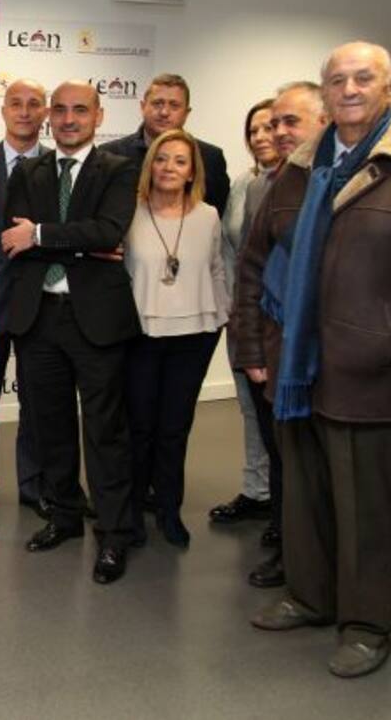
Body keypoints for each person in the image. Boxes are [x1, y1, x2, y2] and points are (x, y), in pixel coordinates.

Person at [239, 42, 391, 678]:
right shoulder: (299, 169)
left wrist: (390, 340)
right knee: (304, 495)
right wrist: (255, 348)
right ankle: (310, 596)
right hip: (294, 369)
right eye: (337, 80)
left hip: (373, 375)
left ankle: (366, 625)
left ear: (389, 87)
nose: (350, 89)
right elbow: (255, 263)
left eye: (363, 78)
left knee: (367, 509)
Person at [1, 80, 139, 584]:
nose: (67, 119)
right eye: (58, 110)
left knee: (105, 432)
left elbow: (108, 230)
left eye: (80, 110)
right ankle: (64, 516)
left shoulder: (119, 169)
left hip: (96, 319)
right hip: (38, 317)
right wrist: (77, 244)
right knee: (50, 426)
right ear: (48, 117)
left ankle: (114, 533)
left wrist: (40, 234)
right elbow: (13, 238)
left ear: (98, 116)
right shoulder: (30, 170)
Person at [231, 83, 328, 589]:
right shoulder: (272, 185)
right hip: (278, 351)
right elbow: (250, 271)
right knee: (288, 461)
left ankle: (330, 566)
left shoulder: (351, 180)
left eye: (291, 122)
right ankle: (293, 556)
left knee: (331, 470)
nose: (278, 132)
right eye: (273, 124)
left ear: (325, 122)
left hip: (338, 353)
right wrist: (252, 350)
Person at [123, 129, 230, 548]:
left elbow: (217, 268)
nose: (169, 167)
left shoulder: (209, 216)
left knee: (174, 428)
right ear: (150, 165)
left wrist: (221, 316)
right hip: (141, 335)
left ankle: (169, 511)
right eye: (162, 158)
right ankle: (131, 514)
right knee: (139, 429)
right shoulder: (129, 212)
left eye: (180, 161)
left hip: (194, 337)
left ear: (192, 172)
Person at [209, 99, 278, 528]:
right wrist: (232, 309)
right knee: (251, 411)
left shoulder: (304, 184)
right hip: (244, 318)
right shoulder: (242, 184)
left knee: (280, 418)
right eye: (254, 131)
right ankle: (258, 491)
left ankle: (287, 507)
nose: (262, 137)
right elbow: (229, 251)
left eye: (271, 127)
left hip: (279, 321)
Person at [0, 78, 50, 509]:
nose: (24, 112)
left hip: (39, 304)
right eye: (16, 103)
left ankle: (36, 489)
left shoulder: (60, 170)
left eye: (34, 104)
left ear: (45, 111)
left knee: (38, 404)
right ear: (3, 110)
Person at [100, 73, 230, 218]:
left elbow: (218, 216)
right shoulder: (110, 154)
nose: (164, 112)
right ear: (143, 107)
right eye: (157, 103)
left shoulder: (210, 158)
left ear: (186, 113)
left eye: (174, 105)